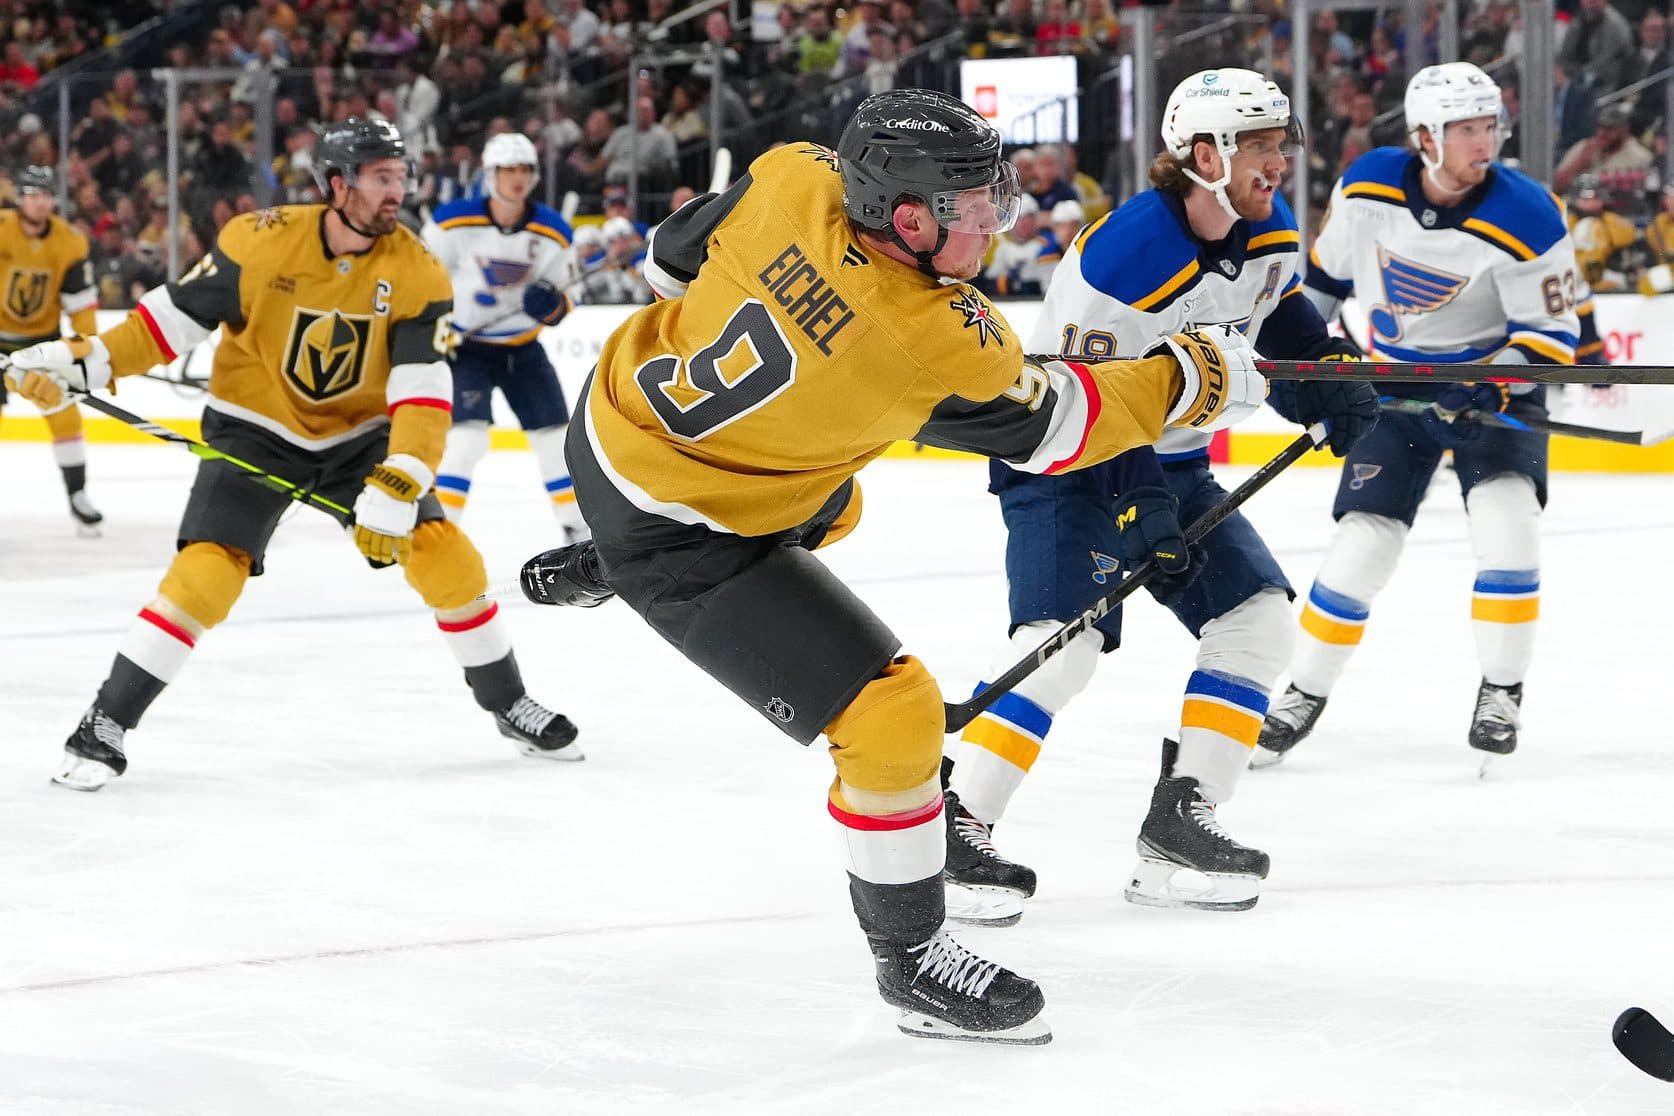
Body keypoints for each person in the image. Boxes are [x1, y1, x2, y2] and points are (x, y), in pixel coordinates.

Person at [519, 89, 1265, 1043]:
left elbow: (671, 260)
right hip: (682, 527)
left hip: (614, 413)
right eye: (976, 202)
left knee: (839, 503)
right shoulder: (929, 335)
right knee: (894, 715)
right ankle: (912, 960)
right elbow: (1057, 429)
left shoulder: (794, 175)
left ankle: (614, 557)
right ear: (908, 219)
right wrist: (1197, 374)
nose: (1001, 216)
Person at [3, 119, 583, 791]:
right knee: (205, 576)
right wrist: (87, 362)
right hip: (254, 429)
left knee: (448, 559)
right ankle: (106, 721)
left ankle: (508, 703)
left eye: (402, 176)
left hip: (356, 442)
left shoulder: (418, 270)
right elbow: (164, 326)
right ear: (337, 184)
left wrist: (401, 480)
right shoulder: (260, 242)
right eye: (381, 177)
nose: (398, 190)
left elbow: (423, 396)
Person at [941, 69, 1379, 920]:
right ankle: (955, 827)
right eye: (1260, 145)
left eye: (1280, 144)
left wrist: (1323, 374)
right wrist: (1141, 502)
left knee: (1254, 623)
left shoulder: (1268, 228)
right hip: (1068, 464)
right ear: (1205, 154)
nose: (1279, 162)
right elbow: (1084, 398)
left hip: (1170, 465)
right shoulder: (1124, 254)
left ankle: (1179, 822)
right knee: (1061, 647)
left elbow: (1276, 318)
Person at [1257, 63, 1581, 771]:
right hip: (1394, 387)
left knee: (1507, 525)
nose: (1484, 141)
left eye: (1490, 125)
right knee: (1361, 543)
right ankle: (1302, 694)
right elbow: (1323, 288)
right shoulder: (1368, 185)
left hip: (1491, 386)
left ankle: (1501, 690)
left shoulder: (1528, 212)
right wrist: (1311, 367)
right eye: (1467, 128)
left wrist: (1488, 385)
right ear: (1426, 136)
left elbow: (1554, 335)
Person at [422, 133, 588, 541]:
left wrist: (551, 305)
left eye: (525, 169)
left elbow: (572, 292)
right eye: (508, 169)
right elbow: (420, 279)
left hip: (522, 349)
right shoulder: (450, 221)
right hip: (466, 351)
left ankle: (578, 530)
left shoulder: (554, 231)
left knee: (555, 441)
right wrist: (431, 327)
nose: (517, 178)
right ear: (490, 174)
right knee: (466, 439)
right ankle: (439, 534)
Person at [0, 165, 103, 534]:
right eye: (32, 195)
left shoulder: (70, 242)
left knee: (64, 414)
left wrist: (85, 345)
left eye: (45, 196)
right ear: (20, 199)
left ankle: (77, 496)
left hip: (40, 343)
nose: (39, 203)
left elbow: (80, 305)